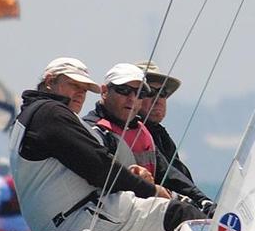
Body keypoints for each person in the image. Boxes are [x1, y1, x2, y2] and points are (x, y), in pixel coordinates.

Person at [9, 57, 206, 231]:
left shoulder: (28, 117)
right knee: (180, 214)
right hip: (81, 221)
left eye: (84, 89)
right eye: (74, 85)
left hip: (61, 229)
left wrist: (132, 176)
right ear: (51, 81)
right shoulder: (51, 113)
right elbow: (99, 167)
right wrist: (152, 190)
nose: (80, 94)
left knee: (165, 226)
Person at [85, 62, 214, 214]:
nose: (132, 98)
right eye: (151, 92)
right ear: (105, 91)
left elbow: (172, 175)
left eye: (163, 93)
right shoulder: (94, 130)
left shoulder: (153, 134)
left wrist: (204, 202)